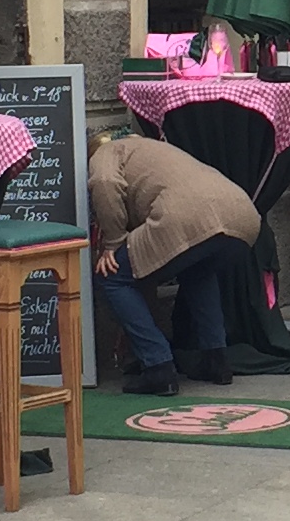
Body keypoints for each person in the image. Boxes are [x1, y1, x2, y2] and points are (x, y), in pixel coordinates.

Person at [88, 130, 263, 393]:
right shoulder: (151, 147)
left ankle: (157, 365)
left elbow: (104, 181)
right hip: (243, 216)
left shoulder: (107, 151)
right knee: (198, 270)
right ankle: (216, 360)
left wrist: (112, 243)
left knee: (112, 277)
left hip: (187, 217)